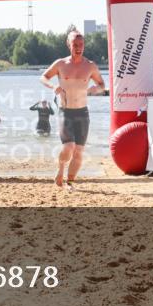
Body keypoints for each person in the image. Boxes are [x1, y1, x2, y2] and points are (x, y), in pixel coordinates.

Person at [40, 29, 106, 189]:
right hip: (65, 112)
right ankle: (61, 169)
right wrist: (53, 86)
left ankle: (70, 181)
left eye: (81, 44)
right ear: (68, 45)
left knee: (78, 151)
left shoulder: (90, 66)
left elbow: (102, 85)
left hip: (82, 113)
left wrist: (94, 90)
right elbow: (43, 77)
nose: (78, 47)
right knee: (69, 146)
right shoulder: (61, 64)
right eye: (75, 44)